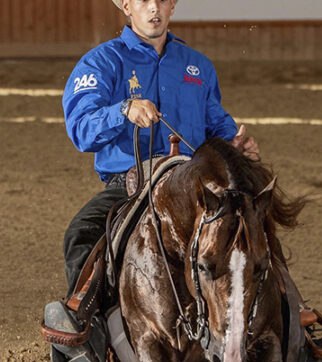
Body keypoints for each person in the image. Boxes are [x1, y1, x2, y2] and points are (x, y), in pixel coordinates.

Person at [61, 0, 259, 296]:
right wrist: (123, 110)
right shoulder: (101, 62)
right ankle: (84, 316)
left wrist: (236, 145)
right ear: (126, 6)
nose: (154, 7)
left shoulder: (198, 65)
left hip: (195, 183)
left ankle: (291, 311)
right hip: (131, 186)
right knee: (82, 233)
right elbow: (81, 129)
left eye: (163, 0)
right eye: (144, 0)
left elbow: (217, 123)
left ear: (172, 7)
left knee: (254, 217)